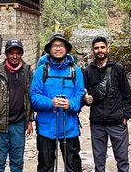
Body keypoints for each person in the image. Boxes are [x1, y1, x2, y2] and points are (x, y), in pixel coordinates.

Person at [30, 33, 85, 172]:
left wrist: (70, 104)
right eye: (54, 46)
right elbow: (34, 96)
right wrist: (51, 102)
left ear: (66, 48)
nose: (58, 48)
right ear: (49, 49)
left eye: (61, 45)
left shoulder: (75, 71)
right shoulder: (41, 71)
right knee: (45, 166)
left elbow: (80, 95)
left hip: (70, 127)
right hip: (46, 128)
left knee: (73, 166)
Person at [82, 36, 131, 172]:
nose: (100, 51)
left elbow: (127, 94)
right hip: (97, 123)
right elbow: (84, 95)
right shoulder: (88, 72)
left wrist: (126, 116)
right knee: (99, 163)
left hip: (117, 122)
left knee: (122, 161)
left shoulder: (118, 69)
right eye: (96, 48)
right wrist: (85, 100)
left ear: (107, 48)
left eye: (102, 47)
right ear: (92, 50)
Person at [0, 38, 34, 172]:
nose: (15, 56)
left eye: (18, 53)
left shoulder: (27, 72)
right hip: (0, 125)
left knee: (17, 163)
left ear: (22, 54)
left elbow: (30, 97)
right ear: (6, 54)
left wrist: (29, 120)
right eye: (11, 53)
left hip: (19, 124)